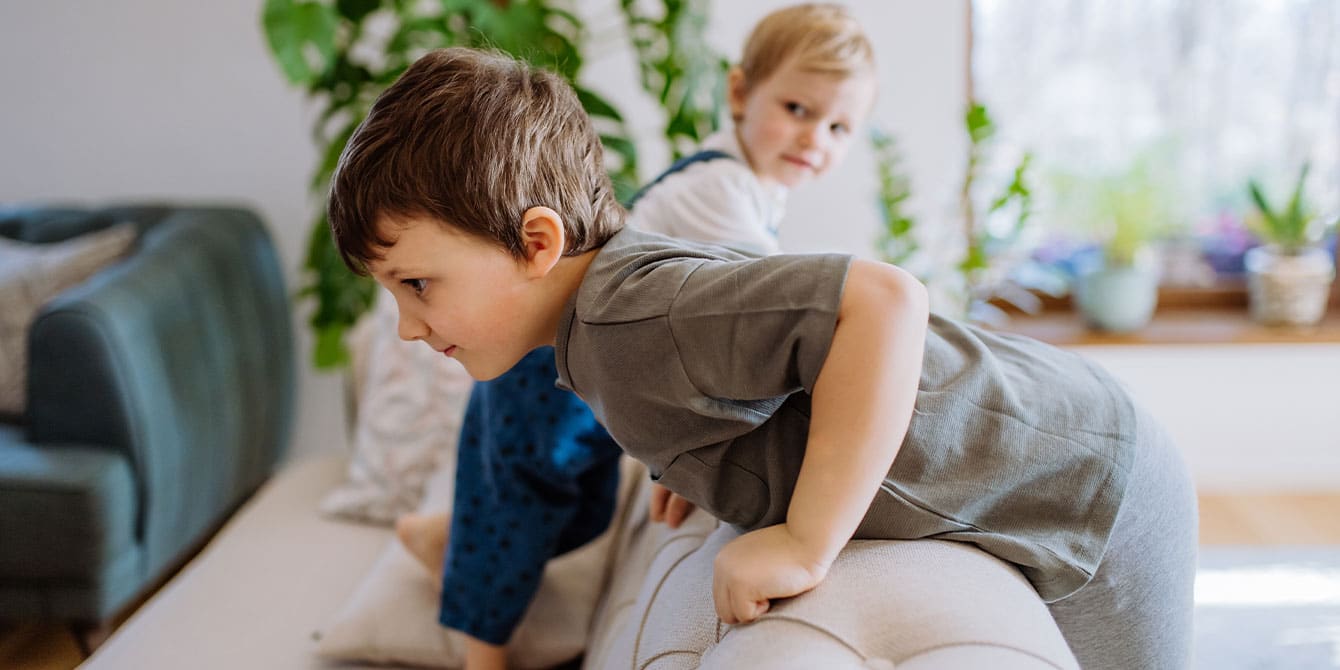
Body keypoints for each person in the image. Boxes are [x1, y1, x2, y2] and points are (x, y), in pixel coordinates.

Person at [328, 45, 1198, 670]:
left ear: (537, 242)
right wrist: (697, 449)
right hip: (1080, 458)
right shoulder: (614, 325)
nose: (407, 326)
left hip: (1093, 479)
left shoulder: (639, 316)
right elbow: (756, 350)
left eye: (418, 285)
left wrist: (807, 543)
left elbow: (885, 301)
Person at [391, 4, 879, 667]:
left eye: (839, 125)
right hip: (553, 361)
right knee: (521, 503)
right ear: (739, 93)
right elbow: (758, 315)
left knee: (581, 507)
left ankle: (441, 537)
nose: (814, 137)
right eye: (796, 108)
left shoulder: (752, 186)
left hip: (600, 360)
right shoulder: (721, 186)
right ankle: (483, 654)